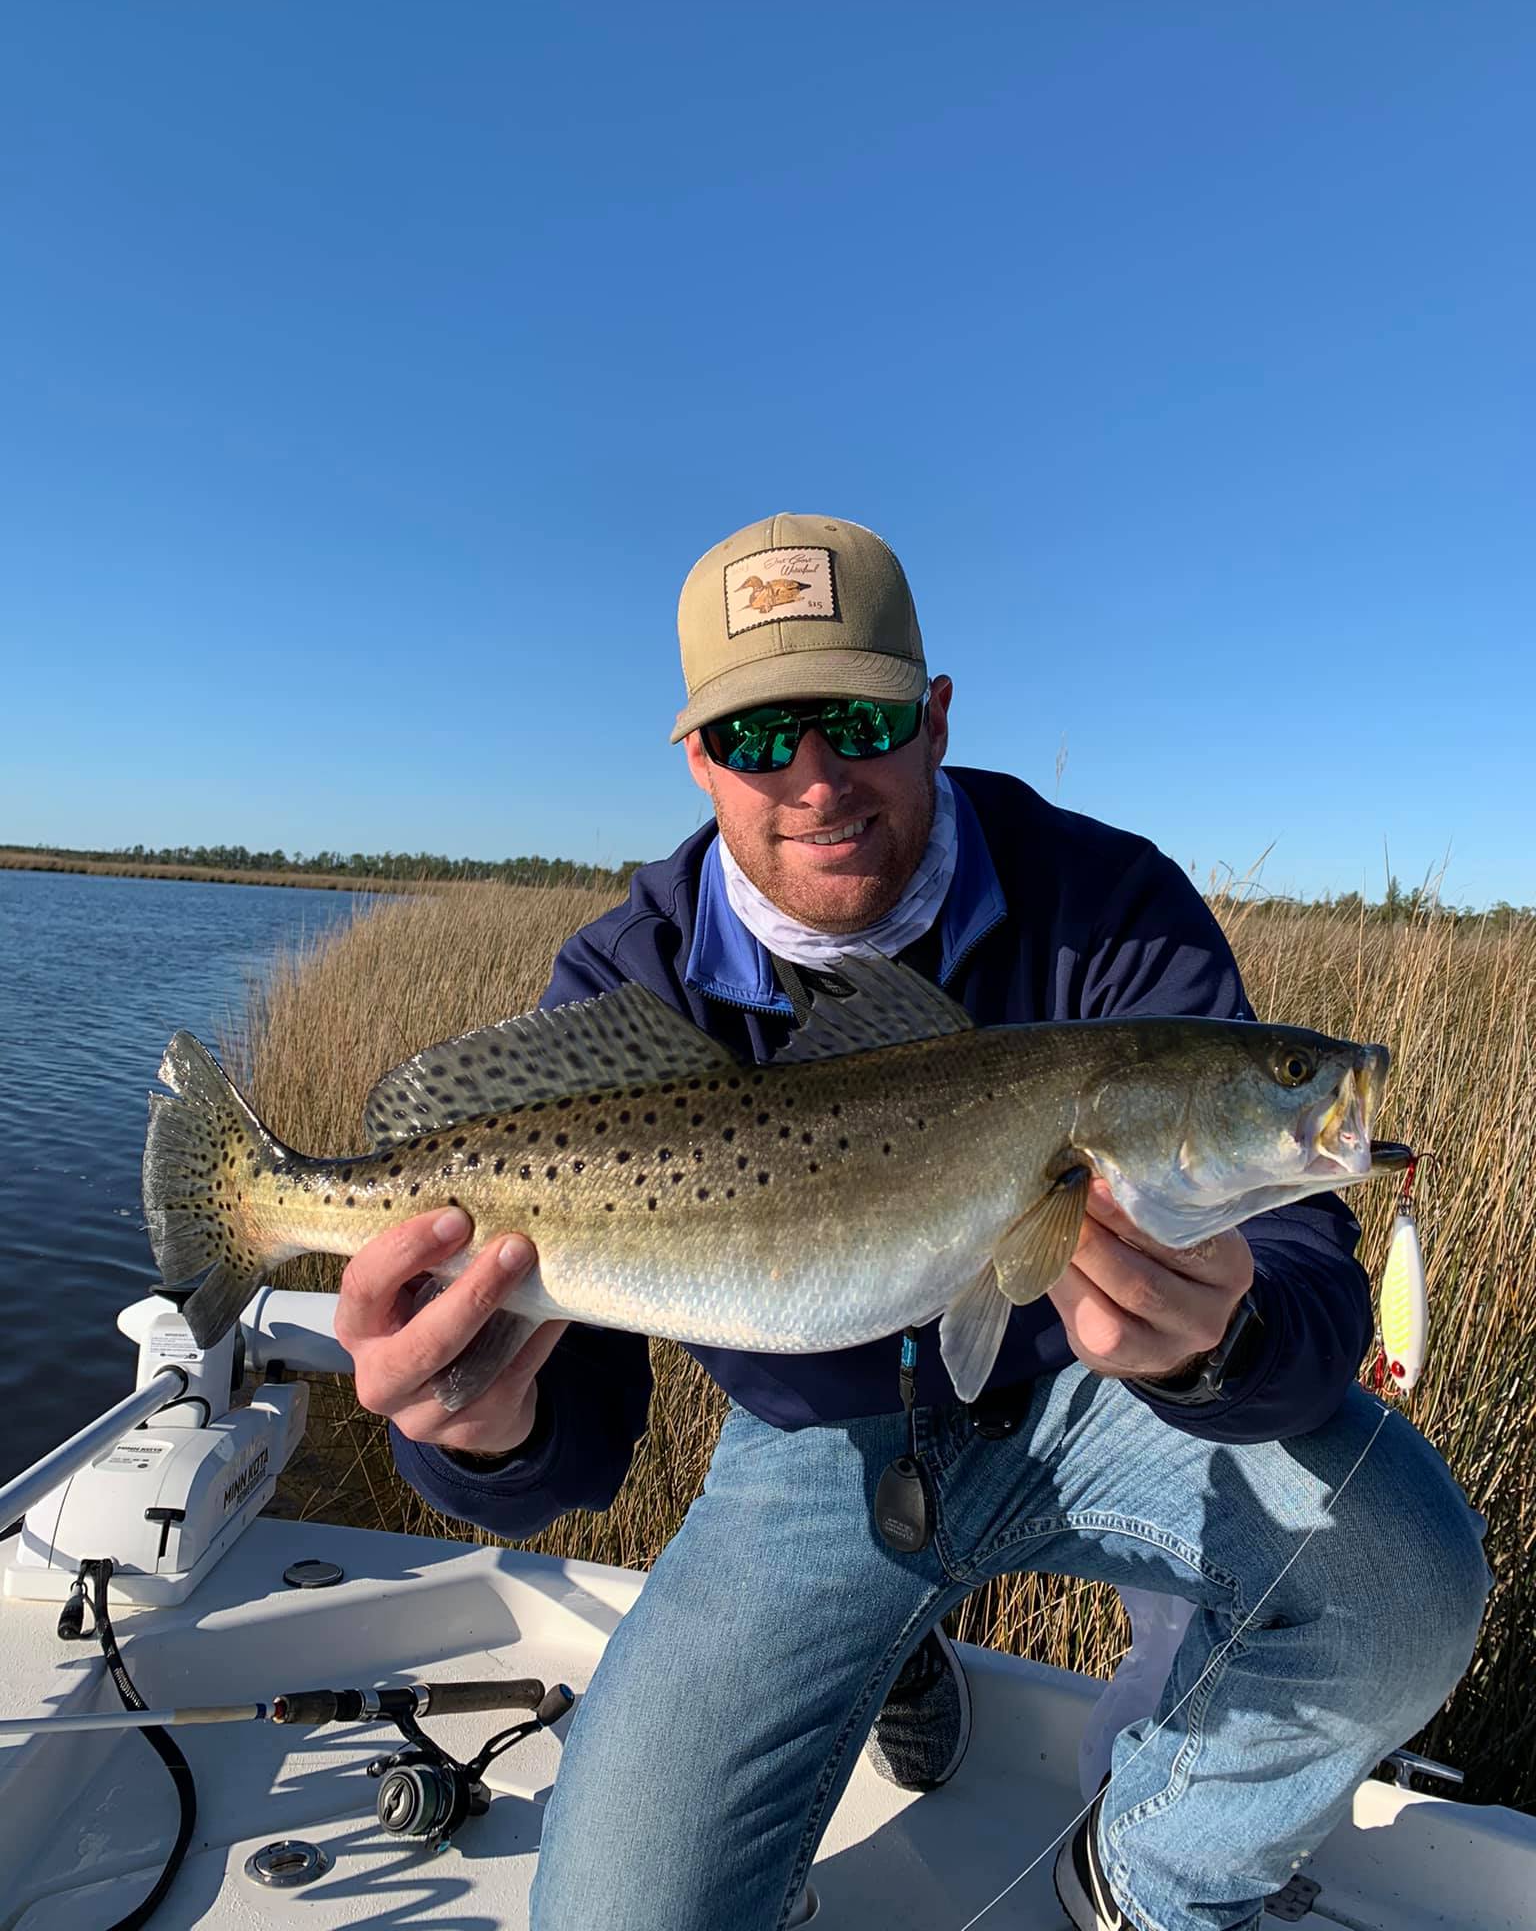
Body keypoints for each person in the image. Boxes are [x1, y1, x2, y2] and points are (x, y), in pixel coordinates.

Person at [335, 515, 1490, 1931]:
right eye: (761, 738)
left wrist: (1224, 1340)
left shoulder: (1113, 909)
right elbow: (577, 1437)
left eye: (858, 720)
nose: (815, 780)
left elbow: (1308, 1270)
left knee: (1410, 1578)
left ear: (933, 718)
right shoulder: (625, 983)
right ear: (698, 757)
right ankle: (883, 1642)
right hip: (812, 1459)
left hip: (1093, 1407)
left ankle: (1143, 1880)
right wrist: (471, 1426)